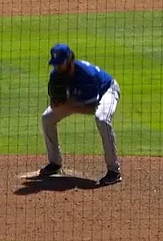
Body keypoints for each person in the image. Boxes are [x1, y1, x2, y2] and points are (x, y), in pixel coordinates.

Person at [39, 43, 122, 186]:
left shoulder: (86, 75)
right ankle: (55, 162)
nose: (57, 68)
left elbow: (93, 108)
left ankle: (114, 171)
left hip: (106, 91)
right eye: (55, 64)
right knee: (47, 118)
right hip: (76, 100)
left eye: (60, 64)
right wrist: (56, 103)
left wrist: (70, 106)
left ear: (69, 61)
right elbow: (56, 99)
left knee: (102, 119)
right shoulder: (56, 75)